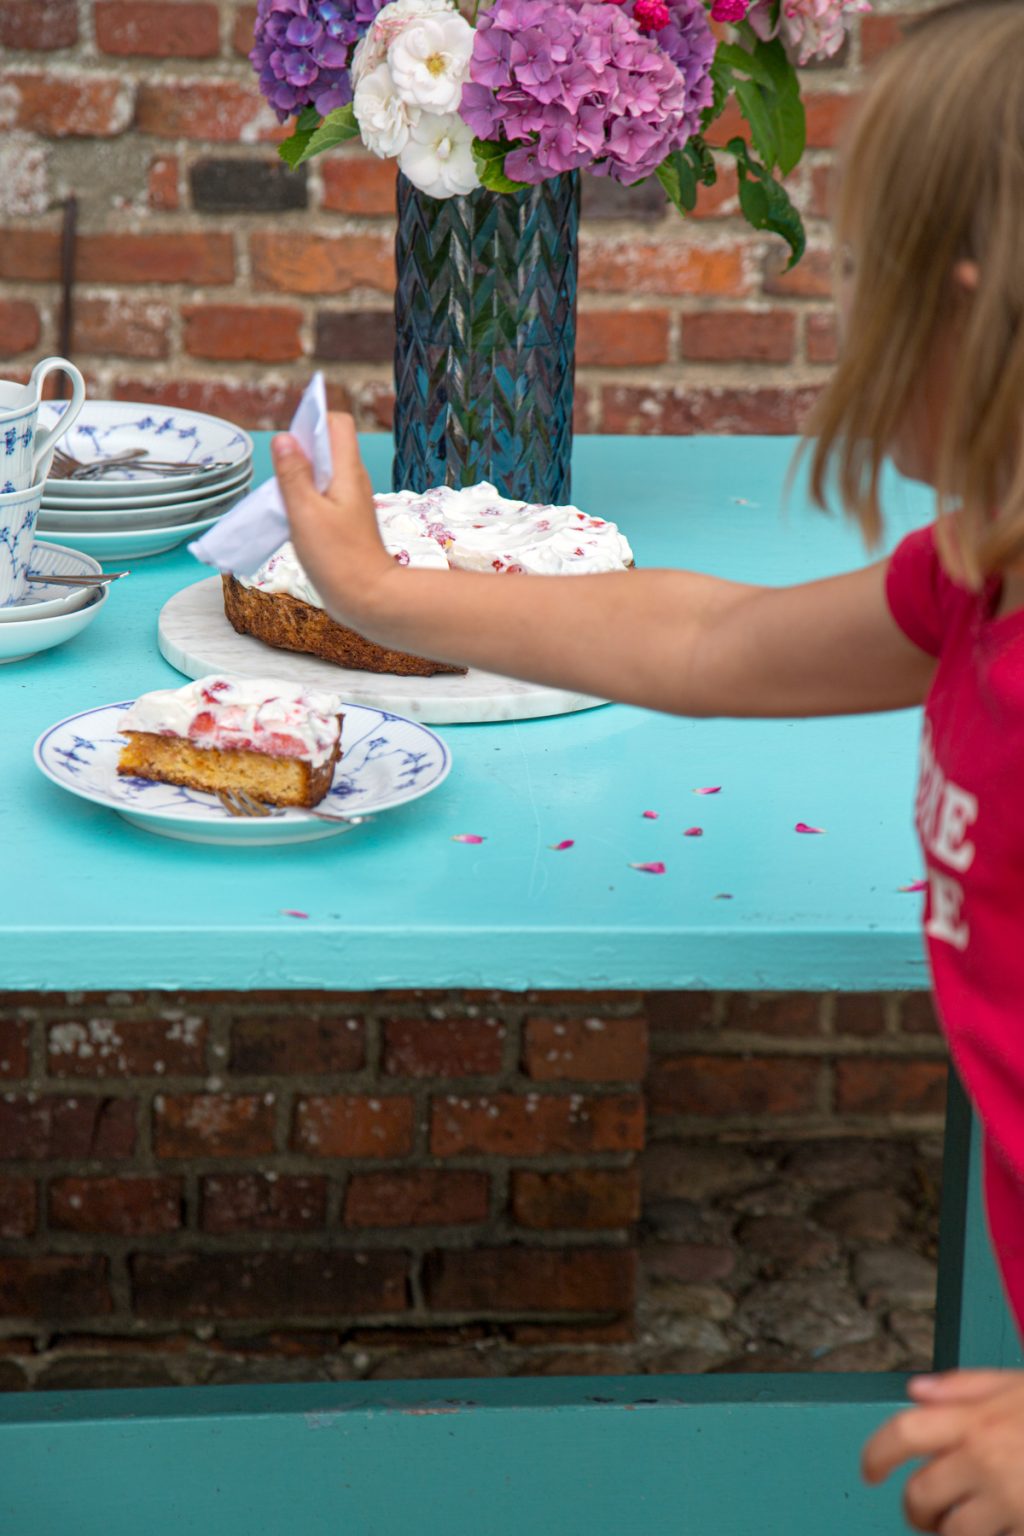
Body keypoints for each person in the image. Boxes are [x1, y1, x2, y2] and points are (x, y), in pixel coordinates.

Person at [270, 2, 1024, 1528]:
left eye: (873, 277)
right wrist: (382, 592)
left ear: (966, 304)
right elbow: (707, 644)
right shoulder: (984, 575)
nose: (850, 318)